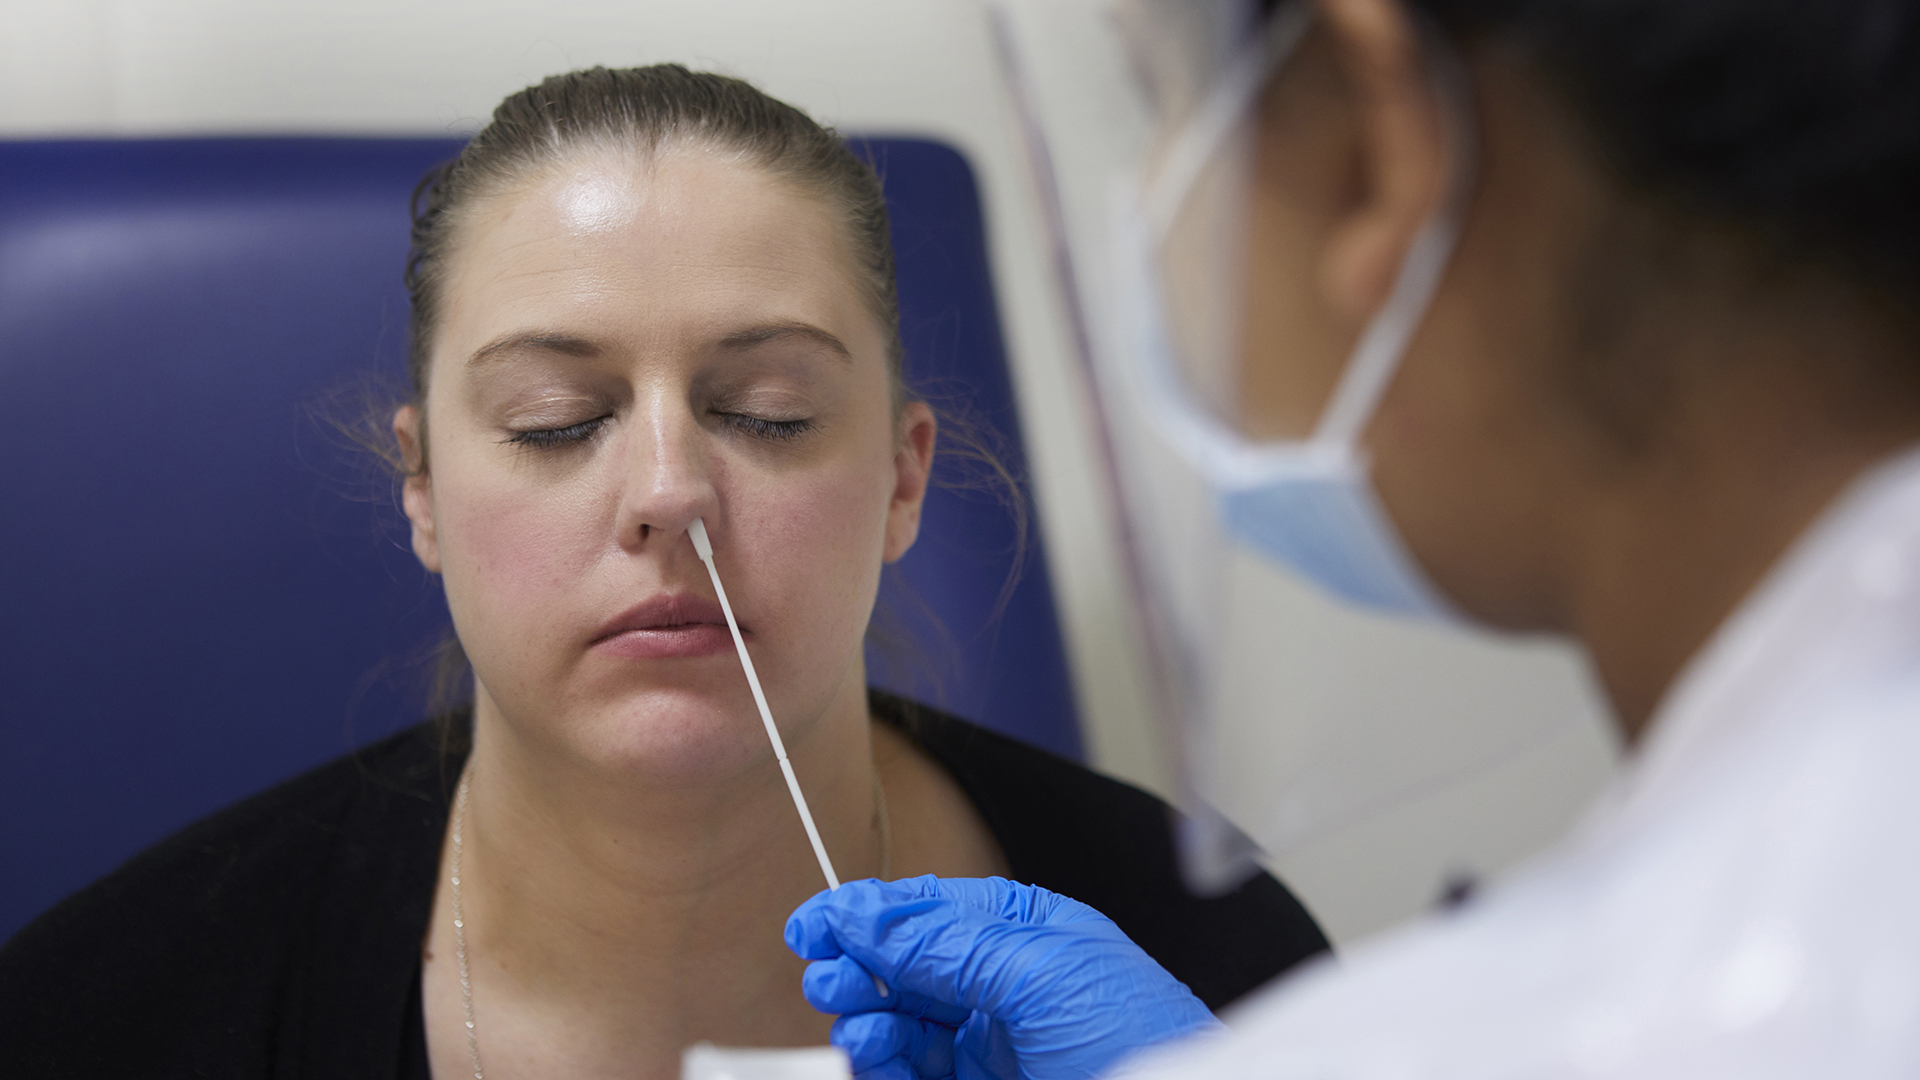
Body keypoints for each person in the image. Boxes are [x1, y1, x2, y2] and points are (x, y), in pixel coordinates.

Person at [0, 66, 1329, 1077]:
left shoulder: (1208, 974)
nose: (669, 493)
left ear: (903, 480)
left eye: (766, 410)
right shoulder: (112, 1017)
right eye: (554, 421)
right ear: (422, 491)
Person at [785, 0, 1920, 1076]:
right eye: (590, 418)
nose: (670, 499)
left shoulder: (1670, 1005)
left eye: (1160, 97)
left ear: (1376, 150)